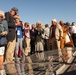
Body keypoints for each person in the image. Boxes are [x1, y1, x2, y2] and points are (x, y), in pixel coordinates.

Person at [5, 7, 19, 75]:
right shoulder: (7, 14)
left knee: (12, 49)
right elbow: (6, 24)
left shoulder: (13, 17)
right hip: (10, 35)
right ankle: (8, 62)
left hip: (13, 35)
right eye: (15, 12)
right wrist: (15, 24)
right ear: (12, 11)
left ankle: (10, 60)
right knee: (9, 49)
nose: (15, 14)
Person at [0, 10, 8, 75]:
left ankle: (1, 68)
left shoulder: (4, 22)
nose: (0, 18)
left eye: (1, 16)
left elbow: (6, 30)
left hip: (1, 40)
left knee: (1, 54)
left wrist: (5, 32)